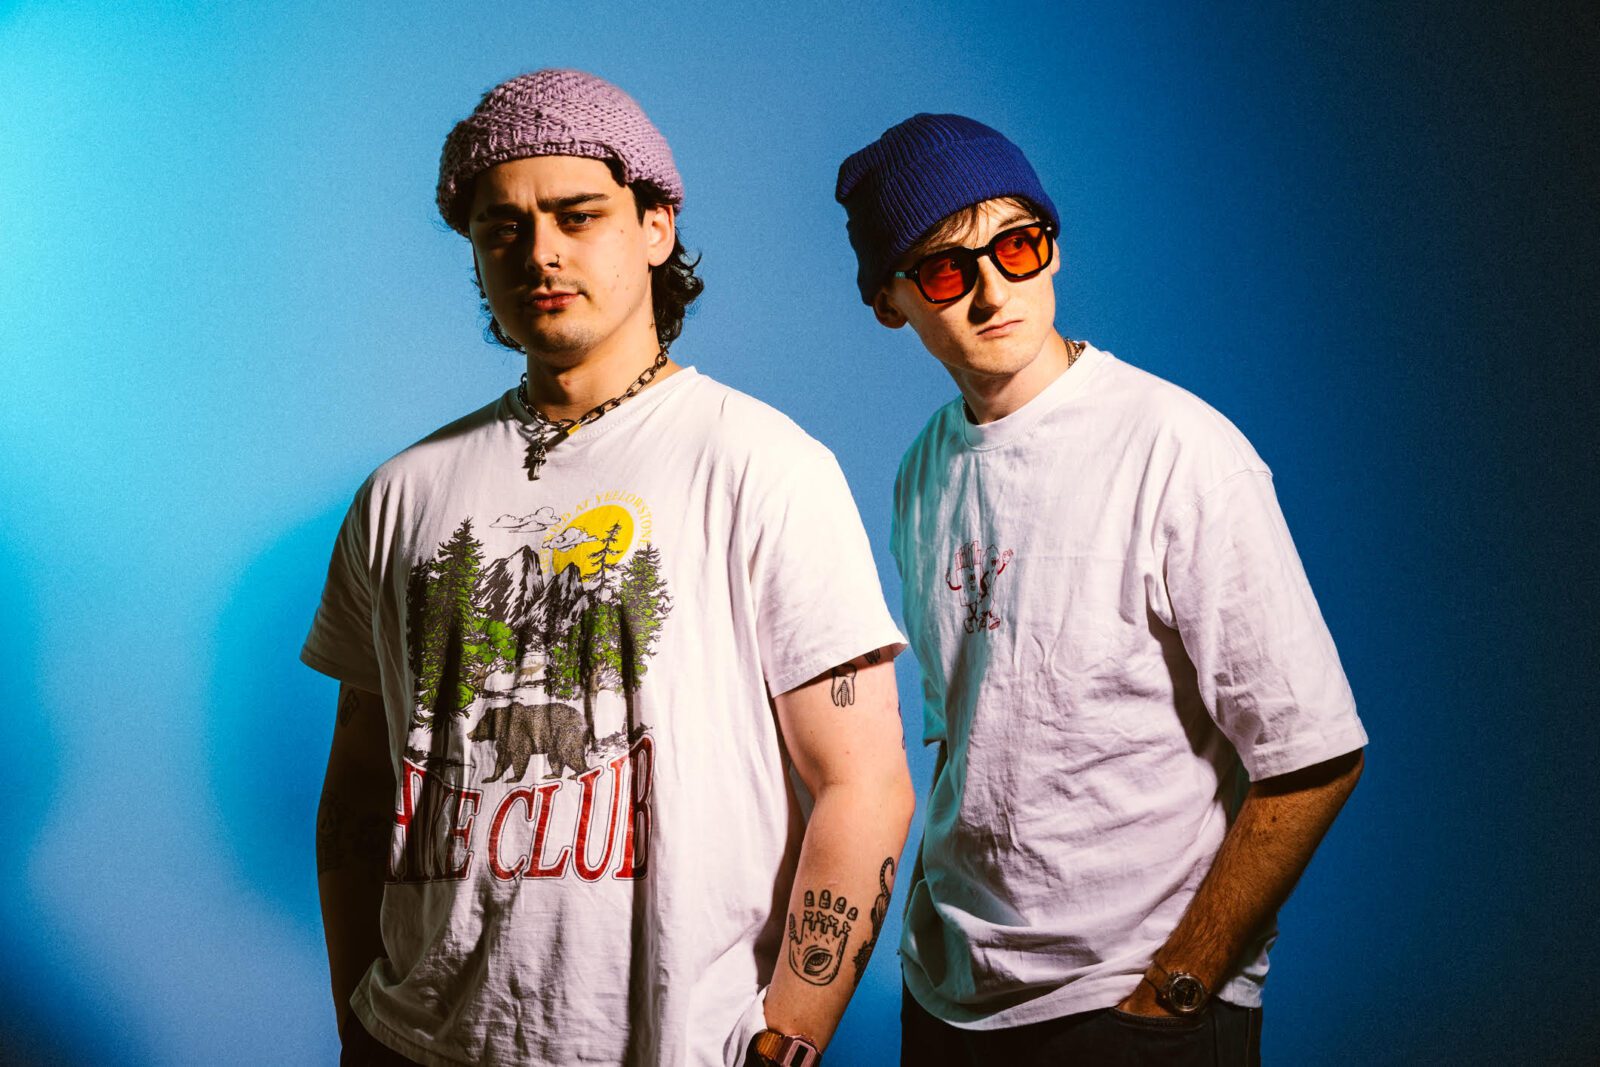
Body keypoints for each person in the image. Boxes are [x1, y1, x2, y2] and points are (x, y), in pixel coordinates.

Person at [305, 69, 913, 1067]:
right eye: (503, 227)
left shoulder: (763, 465)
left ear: (655, 226)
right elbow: (359, 795)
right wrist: (357, 1021)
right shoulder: (402, 492)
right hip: (410, 1040)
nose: (540, 251)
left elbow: (864, 782)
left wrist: (790, 1037)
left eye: (577, 215)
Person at [834, 113, 1368, 1065]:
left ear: (1052, 245)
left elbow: (1313, 754)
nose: (993, 289)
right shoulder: (923, 469)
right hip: (949, 1002)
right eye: (947, 269)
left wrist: (1179, 986)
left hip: (1130, 1005)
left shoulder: (1178, 449)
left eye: (1017, 245)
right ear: (890, 302)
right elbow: (965, 738)